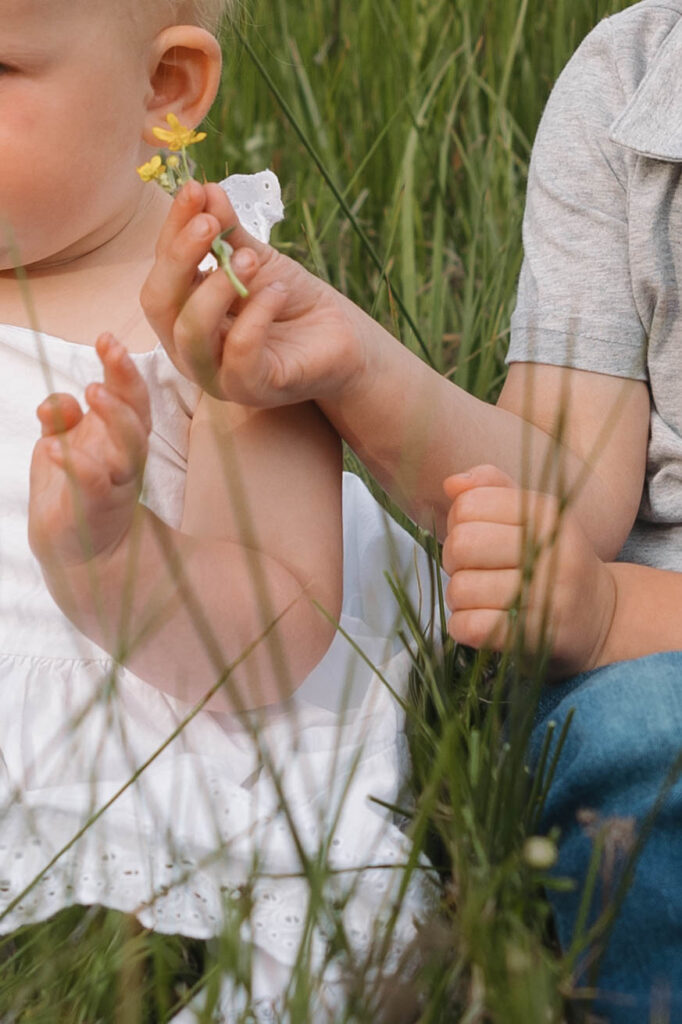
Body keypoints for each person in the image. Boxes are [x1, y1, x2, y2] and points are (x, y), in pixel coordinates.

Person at [141, 1, 682, 1018]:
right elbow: (561, 489)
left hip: (632, 625)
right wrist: (352, 364)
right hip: (644, 684)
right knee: (647, 736)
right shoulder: (631, 83)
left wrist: (617, 614)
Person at [0, 0, 439, 1018]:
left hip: (168, 716)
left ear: (165, 92)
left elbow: (275, 630)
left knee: (317, 960)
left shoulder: (219, 307)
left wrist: (115, 558)